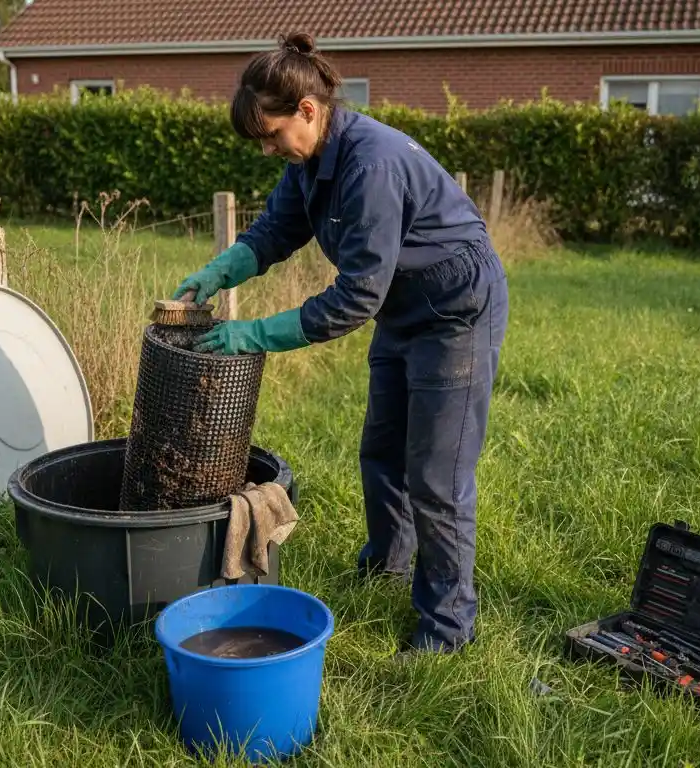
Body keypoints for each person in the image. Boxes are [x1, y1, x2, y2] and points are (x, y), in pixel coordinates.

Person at [175, 32, 508, 655]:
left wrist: (255, 334)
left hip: (456, 314)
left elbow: (356, 298)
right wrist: (221, 271)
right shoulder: (311, 163)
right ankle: (388, 563)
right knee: (382, 451)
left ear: (308, 110)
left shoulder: (369, 165)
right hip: (403, 309)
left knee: (437, 476)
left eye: (272, 134)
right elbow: (277, 227)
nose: (270, 149)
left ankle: (447, 624)